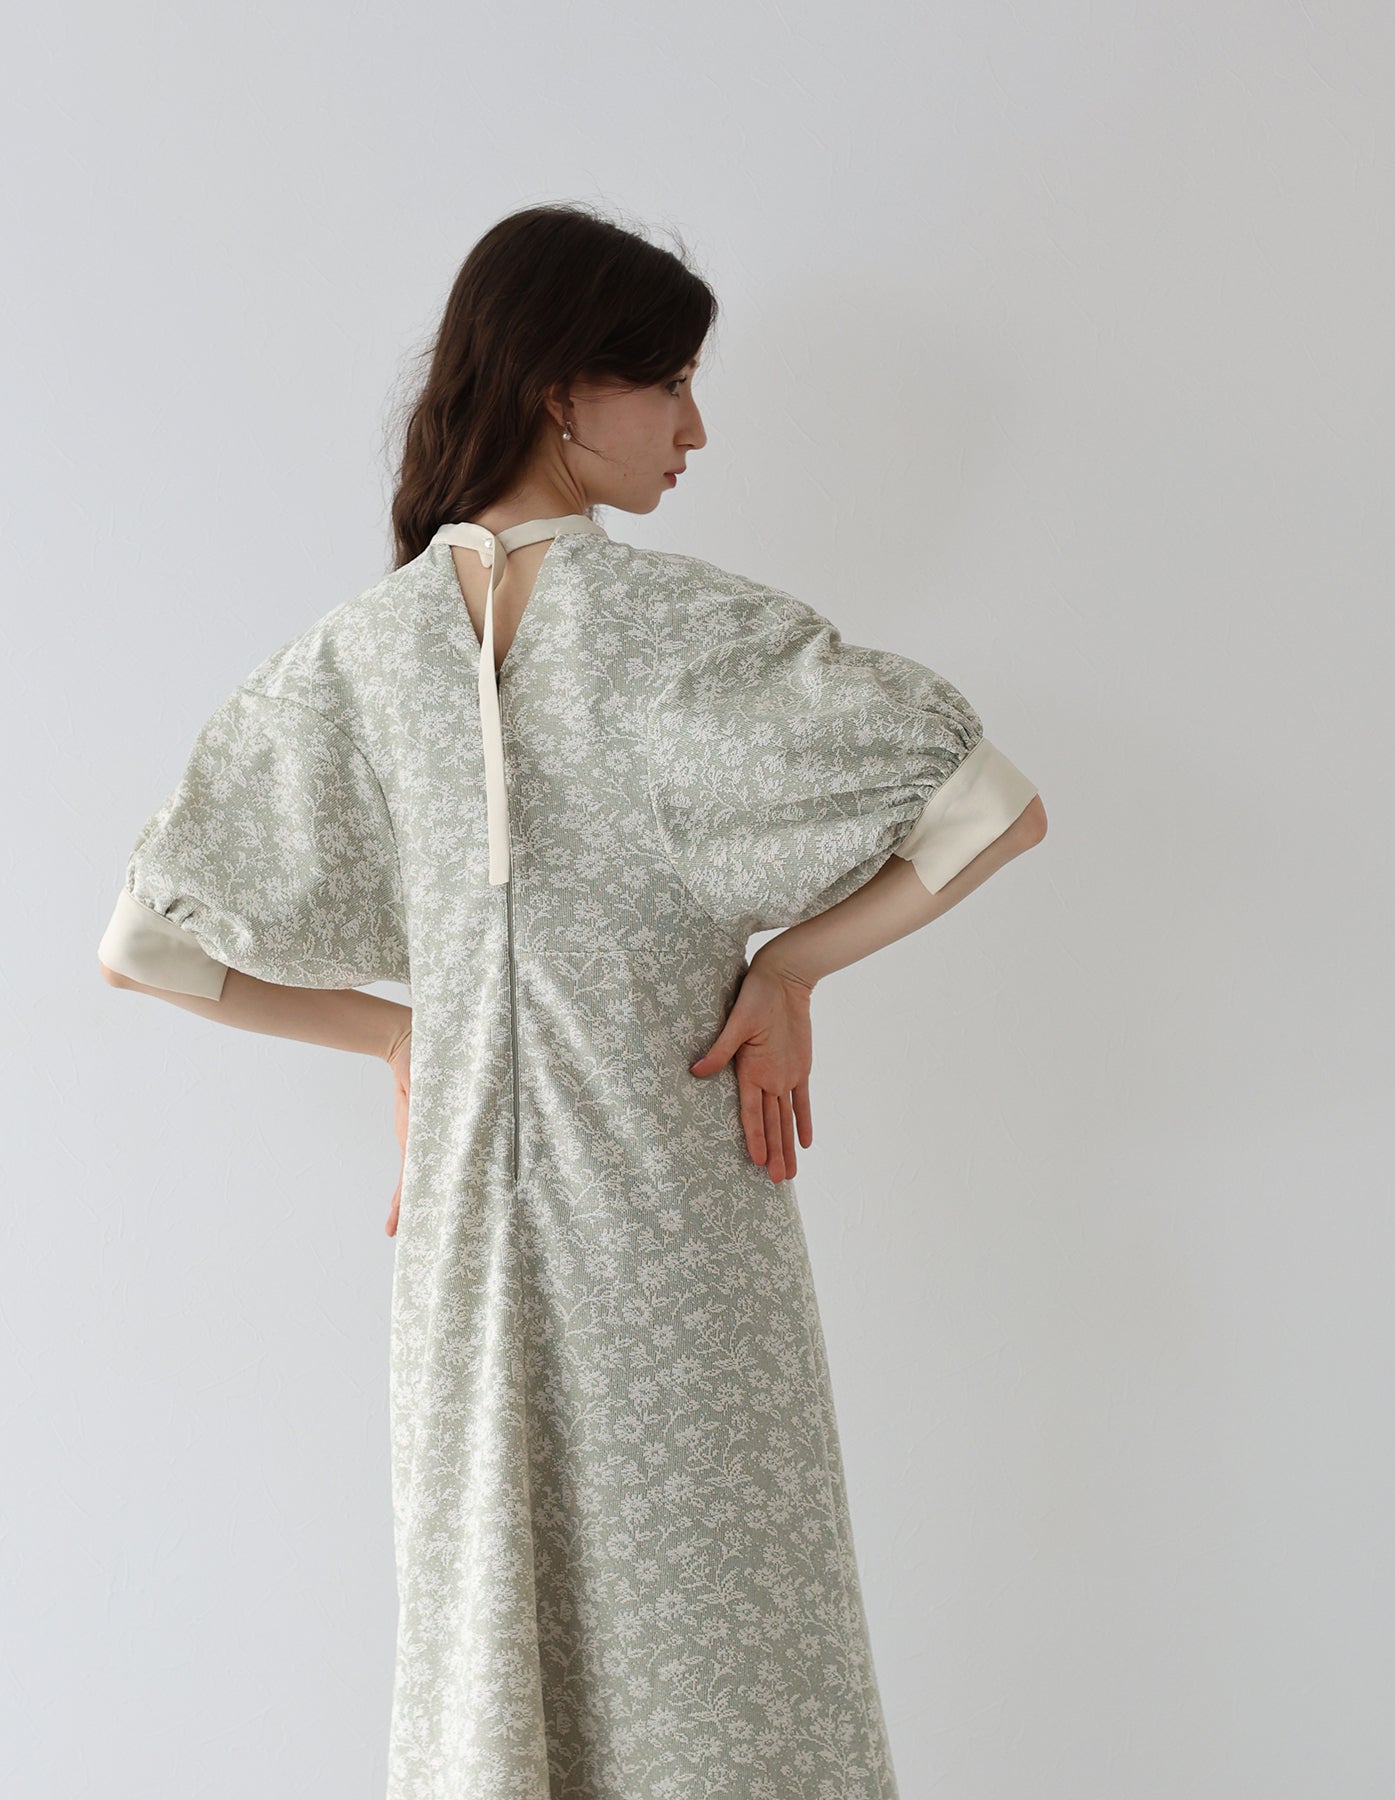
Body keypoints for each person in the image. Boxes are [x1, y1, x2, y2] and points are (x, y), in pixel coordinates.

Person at [97, 201, 1047, 1800]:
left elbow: (152, 945)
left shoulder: (354, 662)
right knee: (725, 1666)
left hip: (468, 1265)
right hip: (680, 1256)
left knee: (491, 1641)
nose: (694, 429)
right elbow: (990, 811)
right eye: (669, 383)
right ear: (561, 392)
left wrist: (404, 1029)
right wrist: (789, 964)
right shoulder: (685, 639)